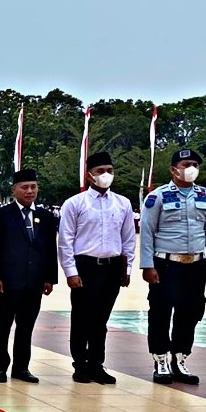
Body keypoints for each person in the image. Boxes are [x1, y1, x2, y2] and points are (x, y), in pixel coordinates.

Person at [141, 148, 206, 385]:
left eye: (195, 164)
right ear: (173, 169)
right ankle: (161, 359)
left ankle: (180, 357)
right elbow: (147, 232)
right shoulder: (158, 197)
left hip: (196, 265)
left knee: (191, 312)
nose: (191, 169)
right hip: (166, 264)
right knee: (161, 312)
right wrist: (148, 265)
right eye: (186, 164)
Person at [57, 151, 135, 385]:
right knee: (81, 318)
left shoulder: (123, 203)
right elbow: (66, 240)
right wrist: (71, 272)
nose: (106, 175)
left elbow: (129, 239)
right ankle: (80, 365)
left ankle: (96, 364)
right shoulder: (75, 203)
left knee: (101, 320)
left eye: (109, 171)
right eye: (100, 171)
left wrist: (127, 269)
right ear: (89, 175)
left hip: (111, 268)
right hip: (85, 266)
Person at [0, 168, 57, 383]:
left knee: (26, 327)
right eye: (25, 187)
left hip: (34, 282)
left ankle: (21, 367)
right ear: (14, 190)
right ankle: (0, 366)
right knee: (2, 325)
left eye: (33, 187)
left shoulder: (45, 216)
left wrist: (50, 278)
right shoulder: (1, 215)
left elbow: (49, 249)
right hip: (7, 282)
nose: (30, 191)